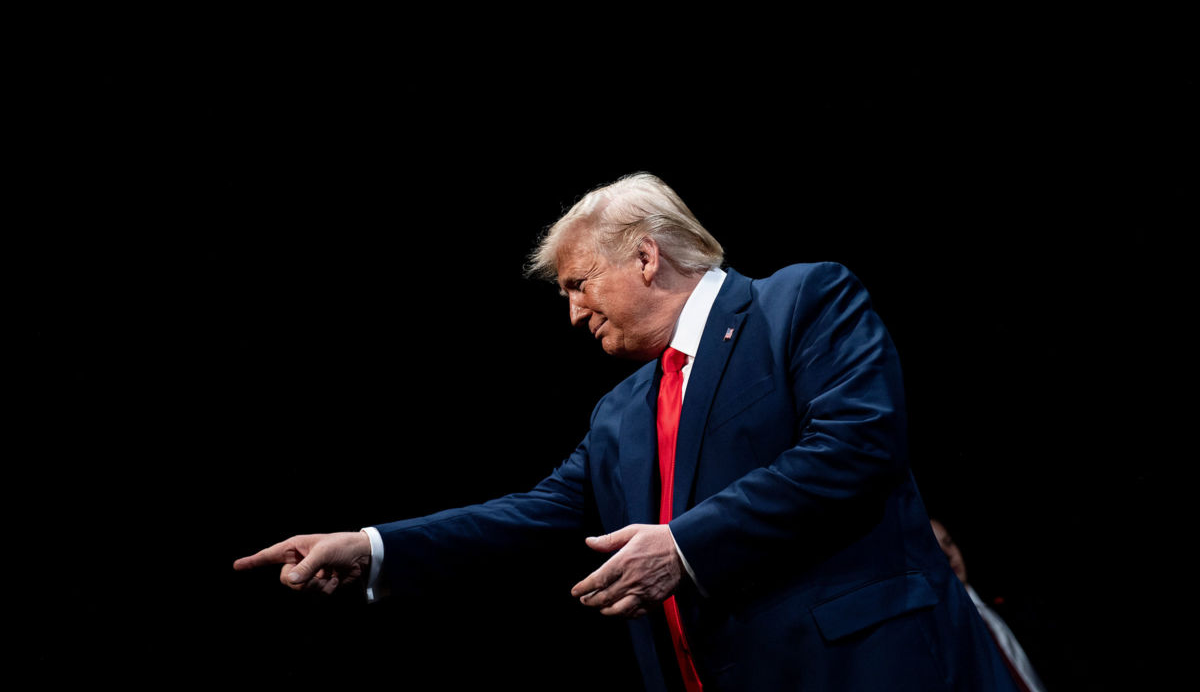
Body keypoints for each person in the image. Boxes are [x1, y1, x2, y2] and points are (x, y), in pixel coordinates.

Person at [235, 172, 1019, 691]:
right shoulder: (621, 412)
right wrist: (373, 545)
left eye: (579, 284)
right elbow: (536, 514)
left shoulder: (803, 302)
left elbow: (855, 448)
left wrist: (684, 547)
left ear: (646, 257)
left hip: (861, 670)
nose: (573, 313)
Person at [931, 518, 1049, 692]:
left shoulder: (1007, 602)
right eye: (935, 551)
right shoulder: (944, 636)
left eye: (948, 542)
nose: (948, 554)